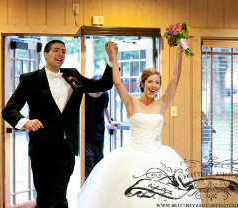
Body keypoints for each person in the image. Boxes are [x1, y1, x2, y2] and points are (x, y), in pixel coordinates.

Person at [77, 40, 202, 207]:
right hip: (133, 159)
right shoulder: (131, 102)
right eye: (150, 82)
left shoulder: (162, 103)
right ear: (143, 84)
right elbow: (118, 83)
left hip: (160, 159)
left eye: (157, 83)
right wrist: (113, 58)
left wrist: (179, 53)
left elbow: (175, 81)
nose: (154, 86)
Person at [2, 39, 117, 208]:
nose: (60, 54)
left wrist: (111, 59)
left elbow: (103, 84)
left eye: (63, 51)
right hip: (42, 148)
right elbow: (8, 110)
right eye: (56, 50)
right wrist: (25, 122)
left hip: (66, 148)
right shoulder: (30, 79)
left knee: (59, 195)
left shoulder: (73, 75)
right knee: (44, 196)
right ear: (46, 54)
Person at [84, 73, 119, 179]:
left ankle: (95, 193)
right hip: (85, 135)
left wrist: (110, 121)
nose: (99, 91)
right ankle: (87, 192)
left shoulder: (104, 95)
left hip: (99, 134)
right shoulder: (84, 96)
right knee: (88, 166)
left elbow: (105, 109)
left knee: (98, 166)